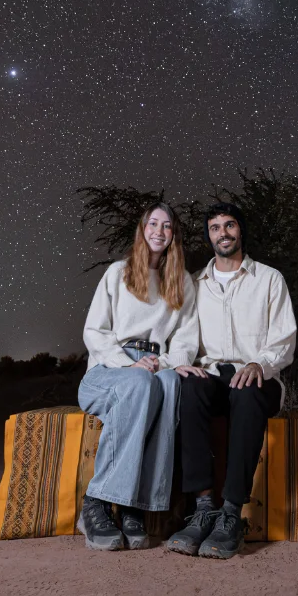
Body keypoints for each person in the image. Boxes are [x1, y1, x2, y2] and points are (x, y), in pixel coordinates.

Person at [165, 202, 297, 559]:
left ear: (240, 230)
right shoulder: (195, 284)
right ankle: (203, 506)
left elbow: (284, 340)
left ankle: (230, 514)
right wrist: (180, 364)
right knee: (189, 388)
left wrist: (260, 364)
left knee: (247, 390)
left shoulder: (269, 279)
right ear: (208, 235)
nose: (222, 233)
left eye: (229, 225)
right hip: (212, 375)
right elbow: (181, 338)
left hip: (257, 378)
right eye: (214, 228)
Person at [77, 203, 199, 550]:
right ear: (142, 229)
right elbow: (94, 331)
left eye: (167, 226)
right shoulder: (119, 272)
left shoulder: (182, 282)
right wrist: (126, 363)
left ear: (174, 234)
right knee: (140, 383)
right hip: (109, 368)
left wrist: (167, 364)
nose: (159, 231)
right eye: (153, 224)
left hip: (155, 364)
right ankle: (96, 503)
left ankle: (134, 508)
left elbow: (187, 340)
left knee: (172, 384)